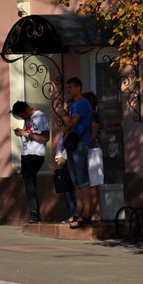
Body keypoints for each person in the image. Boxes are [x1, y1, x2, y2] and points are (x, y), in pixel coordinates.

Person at [57, 77, 94, 227]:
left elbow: (71, 123)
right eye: (68, 88)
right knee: (76, 181)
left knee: (83, 180)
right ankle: (78, 212)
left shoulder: (83, 104)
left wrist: (63, 115)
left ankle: (87, 214)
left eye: (71, 87)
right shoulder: (73, 106)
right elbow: (66, 128)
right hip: (71, 145)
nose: (69, 90)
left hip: (80, 144)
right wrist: (67, 122)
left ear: (79, 87)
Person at [11, 101, 51, 223]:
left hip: (36, 154)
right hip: (26, 154)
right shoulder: (28, 119)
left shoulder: (40, 116)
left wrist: (27, 133)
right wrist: (21, 134)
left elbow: (45, 137)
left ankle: (34, 213)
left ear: (26, 110)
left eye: (22, 115)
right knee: (28, 183)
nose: (22, 118)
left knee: (29, 179)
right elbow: (29, 134)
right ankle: (34, 213)